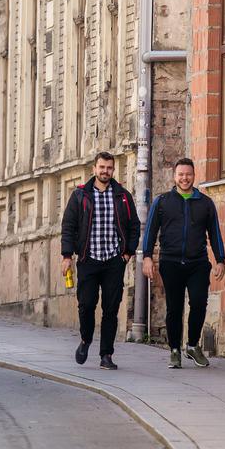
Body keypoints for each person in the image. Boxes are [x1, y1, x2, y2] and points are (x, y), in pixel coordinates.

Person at [142, 157, 225, 369]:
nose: (184, 178)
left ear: (194, 176)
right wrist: (146, 258)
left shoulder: (205, 203)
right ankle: (174, 351)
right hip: (170, 262)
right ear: (175, 177)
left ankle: (191, 346)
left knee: (199, 302)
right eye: (180, 174)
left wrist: (220, 260)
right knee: (174, 308)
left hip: (197, 263)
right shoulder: (162, 202)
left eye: (188, 174)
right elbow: (150, 232)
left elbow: (215, 233)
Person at [59, 151, 140, 370]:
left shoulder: (122, 196)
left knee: (111, 309)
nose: (105, 171)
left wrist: (127, 253)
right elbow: (68, 227)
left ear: (113, 170)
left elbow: (134, 226)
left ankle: (106, 355)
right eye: (101, 167)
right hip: (88, 258)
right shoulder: (80, 196)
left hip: (114, 260)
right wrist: (67, 255)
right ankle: (86, 339)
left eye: (109, 168)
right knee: (86, 305)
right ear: (94, 169)